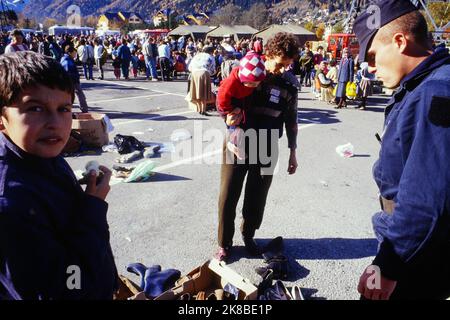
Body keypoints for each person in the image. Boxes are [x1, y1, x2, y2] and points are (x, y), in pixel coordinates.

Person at [0, 51, 118, 299]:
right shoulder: (10, 204)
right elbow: (63, 289)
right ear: (2, 119)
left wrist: (84, 197)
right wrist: (94, 207)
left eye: (64, 108)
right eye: (35, 108)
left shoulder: (41, 152)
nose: (54, 122)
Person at [353, 0, 450, 300]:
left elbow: (426, 196)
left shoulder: (435, 92)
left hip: (416, 255)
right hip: (416, 245)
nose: (369, 68)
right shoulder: (420, 87)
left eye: (372, 56)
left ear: (399, 41)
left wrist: (389, 265)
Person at [215, 32, 299, 261]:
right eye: (280, 63)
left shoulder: (290, 83)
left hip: (269, 143)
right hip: (239, 141)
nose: (284, 69)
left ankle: (248, 235)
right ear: (269, 54)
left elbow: (291, 118)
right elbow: (225, 99)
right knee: (228, 194)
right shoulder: (248, 70)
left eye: (288, 65)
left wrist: (293, 151)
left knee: (257, 195)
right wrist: (229, 122)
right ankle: (224, 243)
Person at [217, 51, 267, 160]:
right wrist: (230, 110)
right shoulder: (230, 83)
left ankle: (237, 139)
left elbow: (262, 58)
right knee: (234, 121)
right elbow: (221, 100)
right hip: (228, 102)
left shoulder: (250, 81)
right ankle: (232, 143)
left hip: (241, 97)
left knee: (242, 119)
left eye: (256, 84)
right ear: (242, 78)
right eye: (250, 83)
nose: (253, 86)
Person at [185, 46, 216, 116]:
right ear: (211, 52)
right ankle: (203, 110)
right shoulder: (211, 57)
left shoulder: (197, 56)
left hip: (194, 73)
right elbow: (212, 70)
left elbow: (189, 67)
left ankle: (199, 109)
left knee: (197, 92)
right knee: (204, 93)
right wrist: (211, 73)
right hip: (204, 73)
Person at [60, 46, 89, 113]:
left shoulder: (65, 58)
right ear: (70, 53)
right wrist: (76, 76)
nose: (75, 54)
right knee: (79, 94)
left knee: (68, 96)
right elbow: (68, 72)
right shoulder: (67, 61)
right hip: (72, 81)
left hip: (68, 81)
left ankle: (65, 109)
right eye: (74, 53)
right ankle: (84, 109)